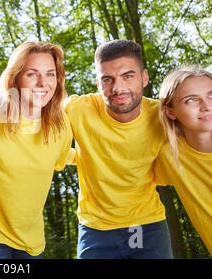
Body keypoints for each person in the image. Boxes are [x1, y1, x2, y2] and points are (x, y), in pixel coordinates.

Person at [0, 41, 74, 259]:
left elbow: (62, 158)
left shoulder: (60, 125)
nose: (43, 83)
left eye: (50, 74)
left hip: (30, 240)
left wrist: (103, 157)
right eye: (32, 74)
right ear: (15, 78)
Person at [65, 39, 172, 259]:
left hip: (144, 225)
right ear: (98, 83)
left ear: (144, 78)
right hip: (95, 229)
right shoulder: (78, 109)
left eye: (128, 76)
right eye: (107, 79)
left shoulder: (164, 116)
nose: (117, 88)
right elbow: (30, 115)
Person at [154, 66, 212, 253]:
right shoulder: (169, 156)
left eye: (211, 95)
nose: (207, 106)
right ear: (170, 112)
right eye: (191, 100)